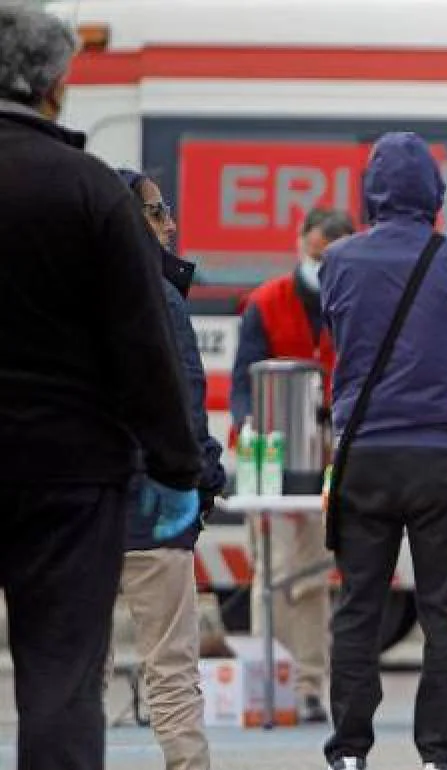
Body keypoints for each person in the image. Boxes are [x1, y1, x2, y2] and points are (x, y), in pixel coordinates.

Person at [0, 6, 203, 769]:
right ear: (55, 86)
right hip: (70, 477)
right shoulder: (90, 191)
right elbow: (142, 343)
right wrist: (176, 465)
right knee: (60, 676)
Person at [321, 132, 447, 770]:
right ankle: (443, 756)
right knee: (445, 616)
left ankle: (348, 751)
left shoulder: (338, 259)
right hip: (443, 458)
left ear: (370, 194)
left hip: (364, 457)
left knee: (358, 607)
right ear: (436, 194)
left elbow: (339, 335)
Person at [109, 169, 227, 770]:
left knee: (72, 679)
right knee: (173, 675)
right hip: (158, 511)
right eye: (158, 213)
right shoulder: (161, 296)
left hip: (83, 514)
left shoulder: (65, 290)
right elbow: (185, 404)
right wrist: (206, 480)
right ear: (134, 221)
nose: (171, 224)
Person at [230, 206, 355, 724]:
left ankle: (305, 683)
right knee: (275, 572)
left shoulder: (351, 302)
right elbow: (243, 382)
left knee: (310, 575)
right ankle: (276, 680)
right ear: (302, 242)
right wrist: (250, 429)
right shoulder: (267, 302)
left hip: (328, 453)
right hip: (272, 451)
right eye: (317, 252)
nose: (321, 264)